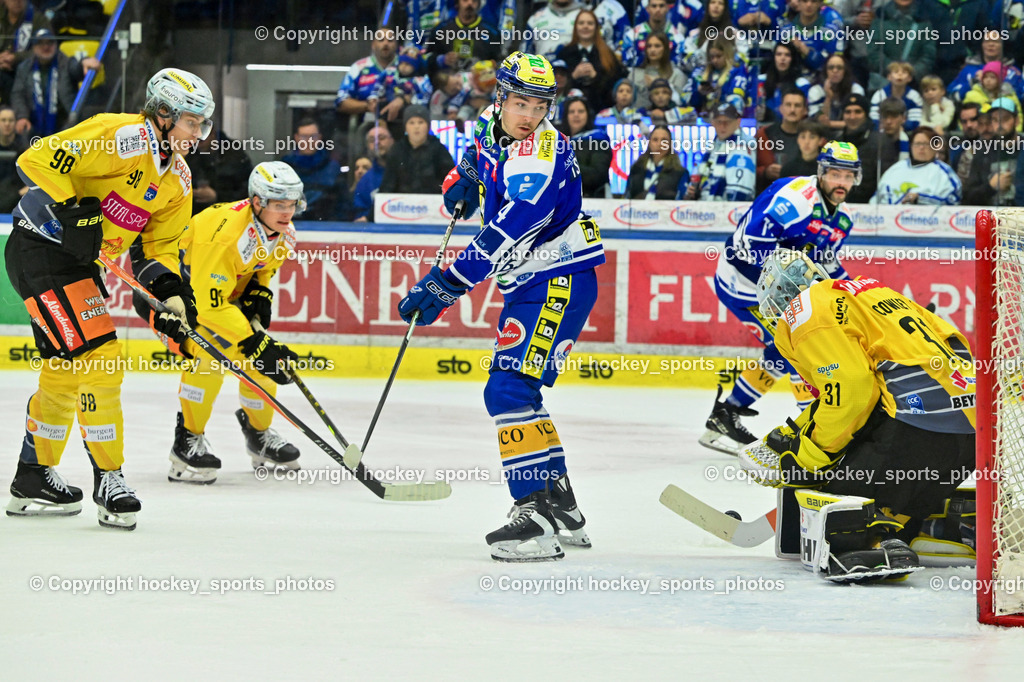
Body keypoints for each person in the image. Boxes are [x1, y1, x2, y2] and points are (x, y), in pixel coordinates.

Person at [397, 51, 605, 562]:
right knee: (521, 392)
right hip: (536, 281)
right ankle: (560, 506)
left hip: (557, 277)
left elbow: (506, 232)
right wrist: (462, 179)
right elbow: (480, 151)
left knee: (508, 389)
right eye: (520, 101)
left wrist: (445, 285)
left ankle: (533, 517)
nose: (529, 114)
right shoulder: (498, 122)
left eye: (540, 105)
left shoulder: (540, 155)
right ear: (500, 97)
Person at [4, 68, 214, 530]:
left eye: (202, 123)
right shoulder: (117, 135)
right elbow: (36, 159)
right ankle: (109, 477)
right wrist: (77, 213)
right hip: (40, 248)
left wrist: (173, 295)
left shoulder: (178, 178)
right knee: (101, 358)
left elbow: (158, 249)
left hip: (78, 266)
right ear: (162, 114)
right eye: (191, 122)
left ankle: (33, 475)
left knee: (65, 367)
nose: (198, 132)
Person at [740, 249, 974, 582]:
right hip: (972, 435)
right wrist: (793, 434)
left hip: (918, 430)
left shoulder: (803, 310)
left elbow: (851, 393)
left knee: (832, 504)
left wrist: (807, 458)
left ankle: (875, 543)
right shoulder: (871, 291)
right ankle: (948, 526)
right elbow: (957, 342)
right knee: (891, 480)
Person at [138, 162, 305, 484]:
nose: (287, 212)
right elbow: (206, 306)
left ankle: (259, 434)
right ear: (258, 202)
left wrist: (259, 288)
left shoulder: (282, 232)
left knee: (261, 363)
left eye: (292, 204)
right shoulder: (225, 236)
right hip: (171, 302)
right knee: (210, 358)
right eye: (279, 205)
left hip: (217, 299)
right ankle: (187, 439)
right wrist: (257, 341)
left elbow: (262, 264)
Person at [700, 141, 859, 454]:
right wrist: (790, 273)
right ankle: (813, 433)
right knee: (798, 349)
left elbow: (827, 265)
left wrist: (858, 295)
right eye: (835, 173)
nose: (841, 182)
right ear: (822, 172)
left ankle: (725, 416)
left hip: (777, 293)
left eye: (849, 175)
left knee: (781, 353)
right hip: (743, 285)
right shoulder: (796, 200)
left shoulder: (841, 222)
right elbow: (751, 241)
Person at [10, 28, 101, 137]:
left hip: (64, 122)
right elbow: (18, 94)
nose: (46, 47)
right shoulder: (24, 68)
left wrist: (84, 61)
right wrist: (22, 116)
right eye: (40, 43)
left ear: (56, 44)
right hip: (33, 122)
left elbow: (77, 68)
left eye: (50, 42)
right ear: (33, 47)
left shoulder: (65, 62)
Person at [555, 9, 625, 113]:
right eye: (581, 23)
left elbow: (615, 86)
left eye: (590, 23)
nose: (585, 26)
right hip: (568, 113)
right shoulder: (564, 53)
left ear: (596, 27)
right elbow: (556, 86)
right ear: (575, 27)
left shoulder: (608, 54)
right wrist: (573, 76)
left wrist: (595, 77)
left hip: (601, 111)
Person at [685, 102, 756, 201]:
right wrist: (695, 192)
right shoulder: (715, 145)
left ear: (738, 122)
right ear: (712, 122)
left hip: (725, 211)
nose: (723, 126)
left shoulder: (743, 145)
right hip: (707, 211)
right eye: (719, 122)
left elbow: (740, 192)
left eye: (728, 122)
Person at [872, 126, 961, 205]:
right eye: (917, 144)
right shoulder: (895, 169)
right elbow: (876, 199)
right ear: (911, 146)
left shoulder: (944, 173)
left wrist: (921, 199)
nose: (921, 148)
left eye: (926, 144)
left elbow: (954, 199)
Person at [379, 105, 455, 195]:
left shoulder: (439, 150)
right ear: (405, 127)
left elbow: (451, 183)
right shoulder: (397, 150)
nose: (416, 127)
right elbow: (388, 183)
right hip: (401, 205)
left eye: (420, 122)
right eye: (411, 123)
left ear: (428, 126)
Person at [963, 97, 1021, 207]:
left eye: (1005, 119)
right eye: (994, 120)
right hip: (991, 219)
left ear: (1016, 121)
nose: (999, 125)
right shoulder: (983, 152)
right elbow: (968, 197)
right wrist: (990, 187)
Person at [281, 117, 342, 221]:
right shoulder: (284, 168)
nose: (308, 141)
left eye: (313, 136)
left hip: (325, 227)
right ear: (296, 138)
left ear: (319, 138)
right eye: (304, 137)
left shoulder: (332, 168)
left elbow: (342, 205)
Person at [188, 121, 254, 214]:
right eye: (194, 139)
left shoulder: (233, 153)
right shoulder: (189, 152)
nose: (197, 144)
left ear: (212, 135)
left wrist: (217, 196)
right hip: (196, 213)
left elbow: (247, 188)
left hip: (228, 213)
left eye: (201, 140)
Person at [756, 89, 808, 193]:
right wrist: (765, 172)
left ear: (805, 110)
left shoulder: (813, 137)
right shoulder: (764, 134)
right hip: (770, 193)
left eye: (797, 106)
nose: (792, 110)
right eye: (788, 105)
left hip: (803, 193)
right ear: (781, 108)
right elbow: (750, 169)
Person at [561, 96, 612, 198]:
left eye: (580, 111)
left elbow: (598, 175)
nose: (576, 115)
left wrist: (563, 167)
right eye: (571, 112)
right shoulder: (560, 142)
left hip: (592, 200)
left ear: (588, 115)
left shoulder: (598, 139)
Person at [838, 93, 883, 203]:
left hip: (871, 207)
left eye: (858, 112)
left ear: (866, 114)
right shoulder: (836, 142)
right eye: (848, 112)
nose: (852, 117)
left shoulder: (880, 142)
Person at [626, 124, 689, 199]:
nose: (659, 144)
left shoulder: (680, 173)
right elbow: (627, 198)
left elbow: (681, 202)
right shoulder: (636, 169)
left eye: (664, 140)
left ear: (670, 144)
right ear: (649, 143)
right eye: (655, 140)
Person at [807, 54, 863, 134]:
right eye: (831, 68)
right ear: (825, 71)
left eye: (839, 68)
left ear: (845, 71)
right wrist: (828, 98)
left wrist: (830, 124)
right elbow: (818, 122)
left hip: (851, 133)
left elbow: (859, 122)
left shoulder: (856, 89)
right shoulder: (816, 90)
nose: (835, 71)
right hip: (823, 134)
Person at [868, 61, 922, 133]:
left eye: (904, 72)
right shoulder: (879, 95)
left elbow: (915, 121)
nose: (900, 75)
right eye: (896, 72)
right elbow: (874, 119)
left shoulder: (914, 96)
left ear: (909, 78)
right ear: (889, 77)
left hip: (906, 132)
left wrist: (902, 127)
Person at [0, 103, 28, 212]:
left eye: (10, 120)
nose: (7, 124)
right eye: (3, 120)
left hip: (17, 197)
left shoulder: (24, 147)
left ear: (15, 123)